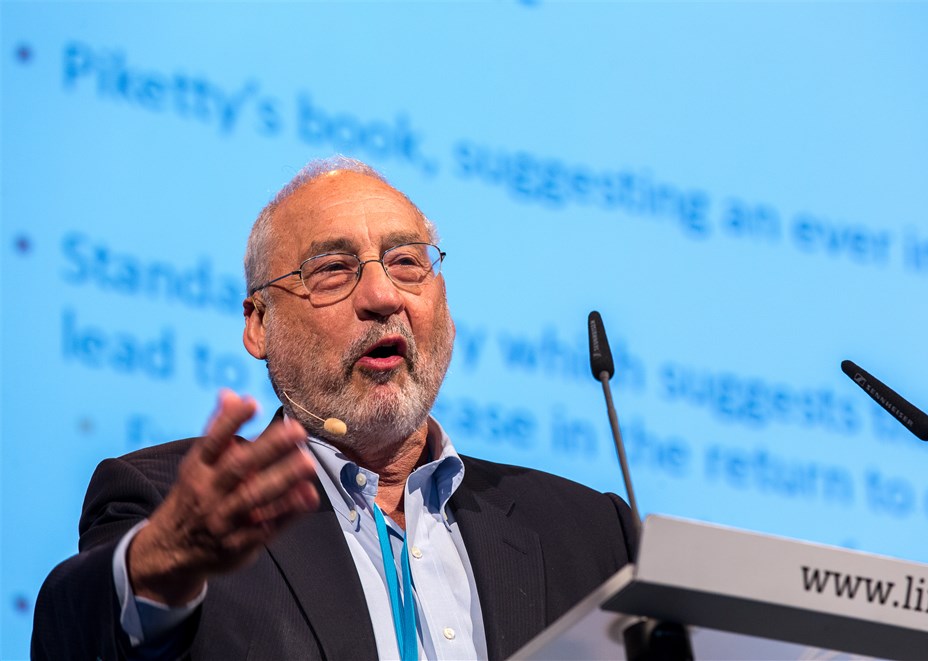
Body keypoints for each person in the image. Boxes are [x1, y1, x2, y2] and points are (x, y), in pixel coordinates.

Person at [32, 157, 637, 660]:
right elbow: (73, 639)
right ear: (258, 325)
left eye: (407, 262)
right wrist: (158, 565)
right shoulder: (169, 503)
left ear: (446, 309)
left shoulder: (590, 535)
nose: (382, 296)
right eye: (332, 271)